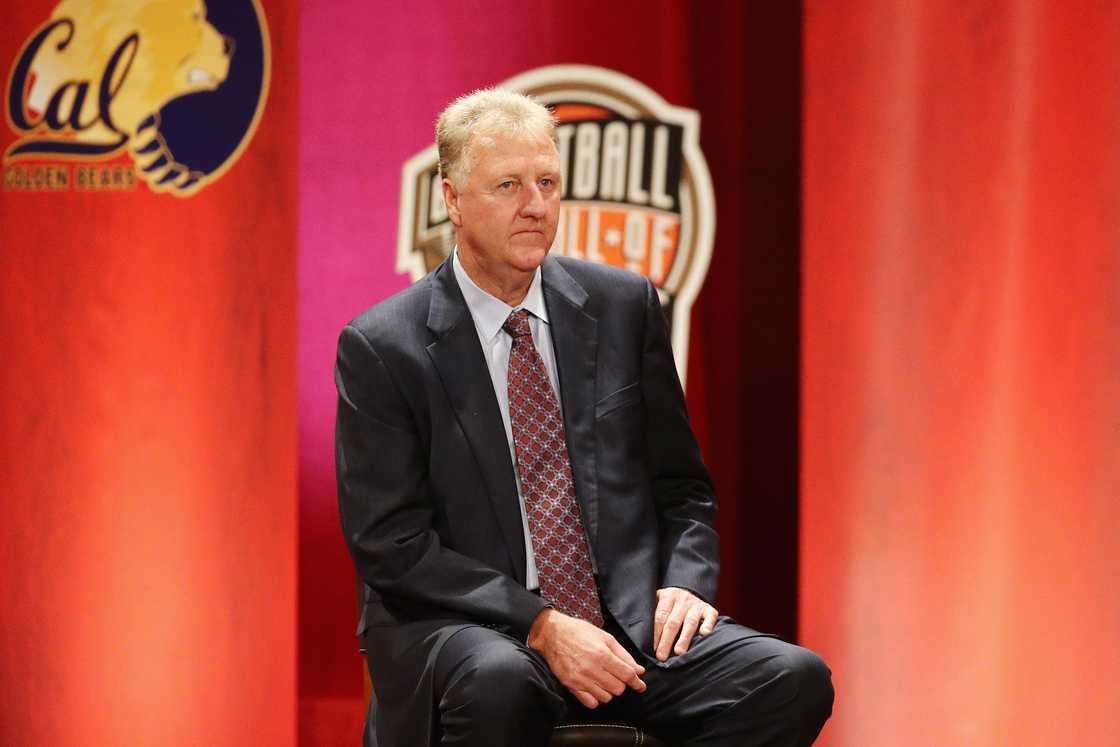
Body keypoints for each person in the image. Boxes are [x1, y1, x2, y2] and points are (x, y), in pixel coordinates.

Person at [335, 88, 833, 747]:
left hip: (624, 622)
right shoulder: (383, 346)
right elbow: (392, 545)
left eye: (547, 182)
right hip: (469, 627)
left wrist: (685, 582)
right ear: (452, 200)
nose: (536, 205)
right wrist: (541, 622)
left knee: (793, 678)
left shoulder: (623, 305)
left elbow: (682, 488)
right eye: (508, 184)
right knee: (499, 682)